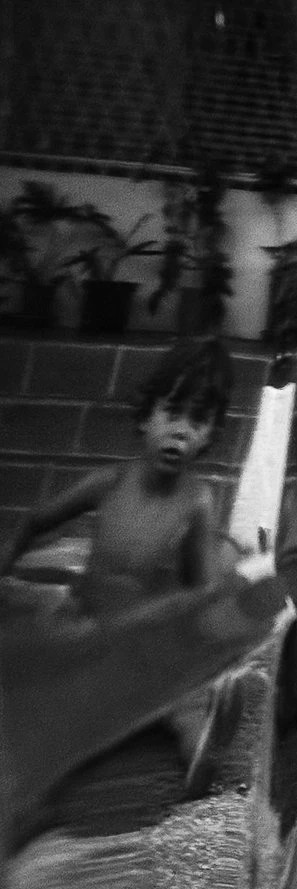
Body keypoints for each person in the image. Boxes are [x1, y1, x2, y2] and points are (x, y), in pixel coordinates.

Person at [0, 338, 241, 794]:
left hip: (144, 637)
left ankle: (202, 746)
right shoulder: (110, 483)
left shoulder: (197, 501)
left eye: (197, 421)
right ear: (146, 416)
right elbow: (35, 521)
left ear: (210, 435)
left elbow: (203, 586)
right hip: (86, 626)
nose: (181, 432)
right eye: (172, 413)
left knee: (181, 697)